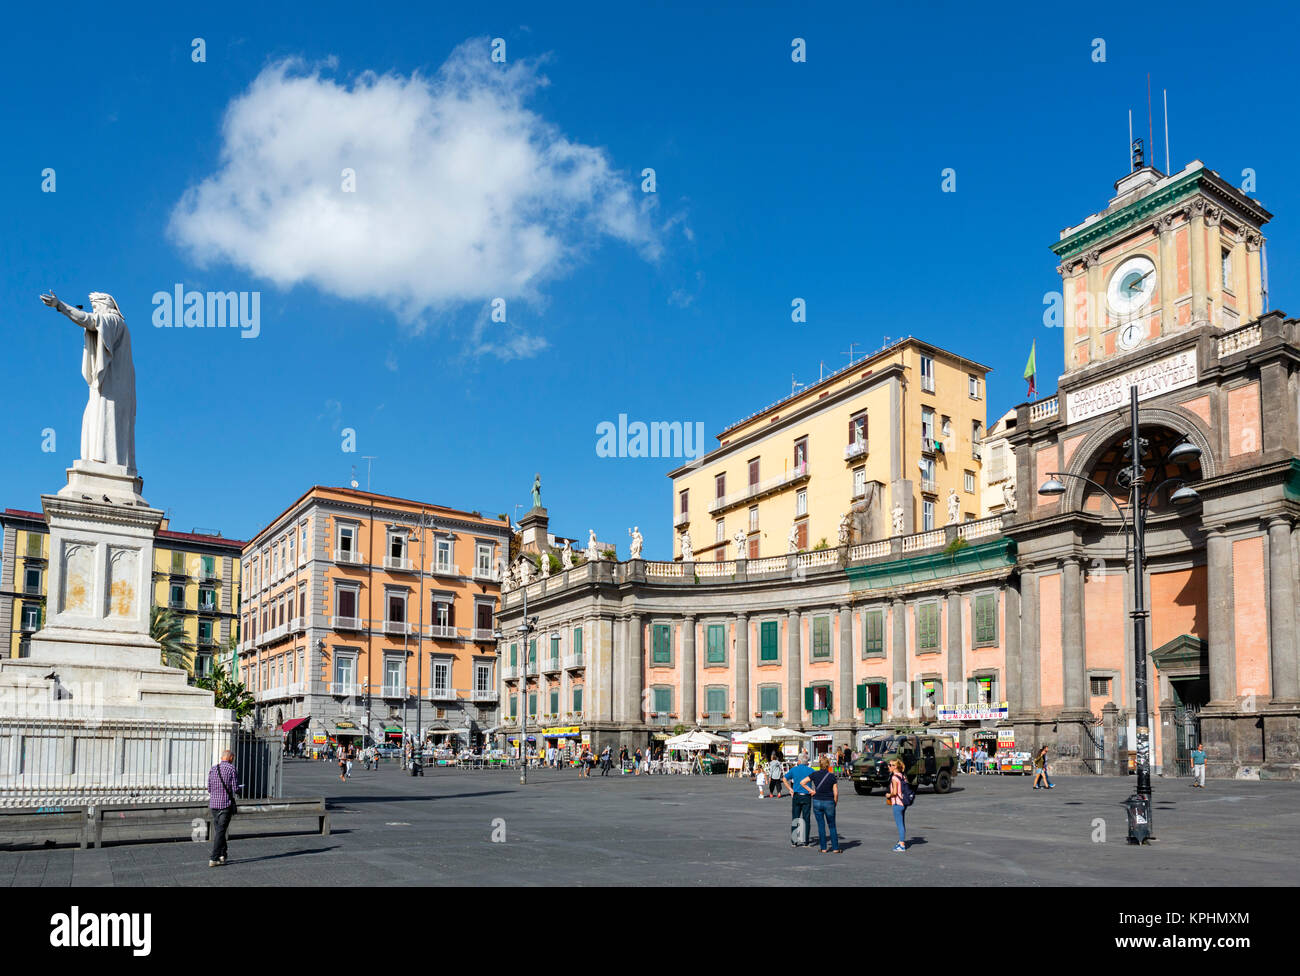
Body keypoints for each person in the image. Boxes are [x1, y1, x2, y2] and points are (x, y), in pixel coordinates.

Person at [207, 748, 240, 868]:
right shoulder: (232, 769)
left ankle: (222, 854)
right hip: (225, 804)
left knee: (220, 831)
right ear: (231, 758)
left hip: (214, 804)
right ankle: (214, 858)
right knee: (221, 832)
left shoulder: (213, 769)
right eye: (233, 758)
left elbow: (209, 788)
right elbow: (235, 788)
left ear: (222, 757)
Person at [811, 754, 841, 853]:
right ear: (828, 765)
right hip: (829, 802)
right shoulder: (831, 776)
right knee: (832, 825)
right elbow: (836, 792)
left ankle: (823, 848)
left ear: (820, 764)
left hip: (817, 801)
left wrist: (811, 791)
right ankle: (835, 848)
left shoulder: (815, 774)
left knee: (821, 825)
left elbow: (802, 782)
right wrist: (835, 802)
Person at [784, 752, 815, 848]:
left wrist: (790, 789)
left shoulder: (794, 769)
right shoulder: (811, 770)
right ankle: (805, 841)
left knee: (795, 817)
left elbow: (784, 779)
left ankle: (794, 841)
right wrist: (813, 791)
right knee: (806, 818)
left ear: (799, 760)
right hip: (806, 796)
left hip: (796, 795)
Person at [886, 758, 908, 852]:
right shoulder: (902, 776)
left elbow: (894, 792)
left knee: (899, 824)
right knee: (902, 823)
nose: (888, 766)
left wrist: (888, 795)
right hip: (903, 802)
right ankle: (901, 841)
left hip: (897, 803)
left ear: (895, 767)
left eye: (890, 765)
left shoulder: (894, 777)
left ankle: (902, 844)